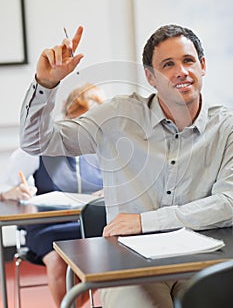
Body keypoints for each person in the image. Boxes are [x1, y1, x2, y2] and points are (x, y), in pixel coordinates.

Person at [20, 24, 233, 308]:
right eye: (167, 64)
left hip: (204, 262)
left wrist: (144, 222)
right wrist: (45, 86)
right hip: (130, 268)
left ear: (202, 66)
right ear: (150, 77)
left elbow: (228, 203)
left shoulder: (226, 128)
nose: (181, 71)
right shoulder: (118, 116)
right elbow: (38, 143)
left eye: (188, 60)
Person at [2, 83, 104, 307]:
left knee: (108, 259)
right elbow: (5, 188)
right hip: (47, 227)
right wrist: (14, 192)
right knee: (59, 260)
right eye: (78, 120)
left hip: (90, 226)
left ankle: (71, 305)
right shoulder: (40, 146)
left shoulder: (106, 150)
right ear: (66, 116)